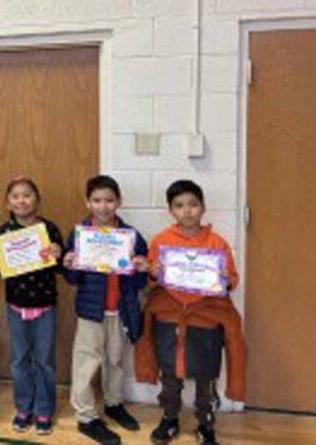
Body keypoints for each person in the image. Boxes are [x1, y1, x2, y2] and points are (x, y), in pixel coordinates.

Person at [136, 180, 245, 445]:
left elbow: (232, 280)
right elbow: (151, 280)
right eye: (179, 205)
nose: (187, 211)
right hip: (169, 317)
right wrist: (153, 273)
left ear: (203, 208)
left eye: (193, 204)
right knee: (170, 374)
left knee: (206, 375)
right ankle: (169, 418)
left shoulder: (217, 243)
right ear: (171, 210)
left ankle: (205, 423)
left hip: (204, 319)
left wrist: (224, 279)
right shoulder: (161, 241)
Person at [62, 175, 149, 445]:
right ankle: (86, 417)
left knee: (116, 361)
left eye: (109, 200)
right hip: (91, 312)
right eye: (97, 200)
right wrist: (70, 264)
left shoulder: (131, 236)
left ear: (118, 202)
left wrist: (140, 267)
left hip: (120, 311)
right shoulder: (80, 234)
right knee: (86, 364)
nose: (103, 206)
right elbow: (72, 279)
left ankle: (113, 404)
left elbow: (140, 282)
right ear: (87, 202)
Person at [0, 176, 63, 435]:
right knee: (19, 360)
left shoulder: (49, 229)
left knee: (44, 360)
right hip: (16, 305)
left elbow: (61, 268)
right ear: (7, 202)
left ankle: (44, 409)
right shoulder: (2, 233)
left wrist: (58, 254)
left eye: (27, 195)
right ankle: (23, 407)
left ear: (37, 200)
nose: (21, 200)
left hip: (45, 305)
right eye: (15, 196)